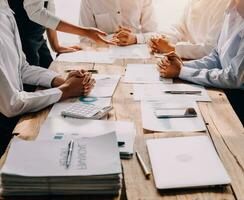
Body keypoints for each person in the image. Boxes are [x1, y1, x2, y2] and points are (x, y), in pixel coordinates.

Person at [0, 1, 96, 157]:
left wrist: (62, 79)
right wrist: (65, 90)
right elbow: (12, 104)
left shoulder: (5, 11)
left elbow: (22, 68)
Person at [157, 0, 244, 124]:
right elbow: (217, 56)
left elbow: (234, 77)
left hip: (237, 101)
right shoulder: (231, 10)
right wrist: (180, 65)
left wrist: (182, 71)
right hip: (224, 89)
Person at [7, 0, 115, 69]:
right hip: (21, 40)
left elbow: (48, 9)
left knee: (51, 71)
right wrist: (85, 32)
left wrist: (56, 46)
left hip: (38, 38)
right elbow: (36, 13)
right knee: (31, 86)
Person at [149, 0, 231, 59]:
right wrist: (162, 40)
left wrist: (172, 48)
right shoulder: (192, 2)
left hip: (207, 68)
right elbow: (181, 28)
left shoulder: (223, 4)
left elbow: (211, 50)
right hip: (192, 62)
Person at [79, 0, 157, 46]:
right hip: (103, 59)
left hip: (136, 57)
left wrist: (135, 39)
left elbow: (153, 35)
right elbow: (84, 38)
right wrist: (113, 39)